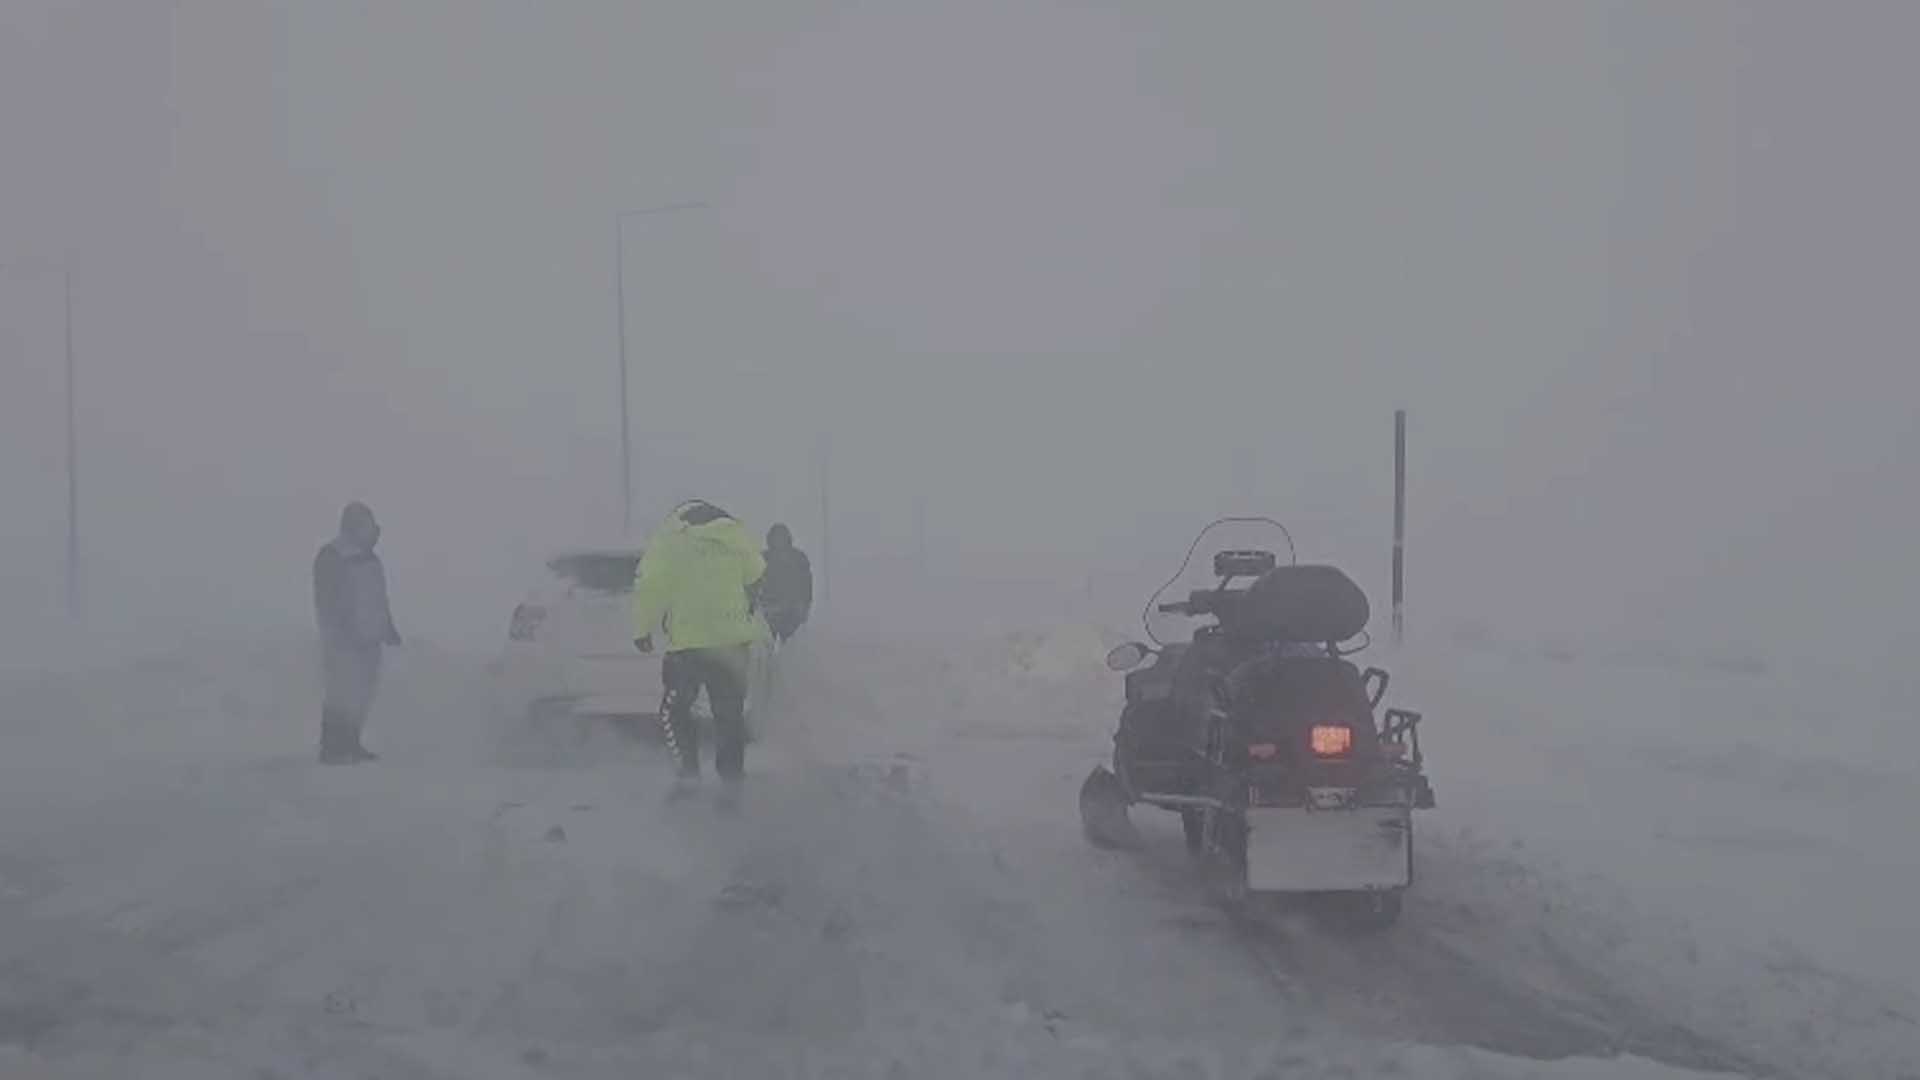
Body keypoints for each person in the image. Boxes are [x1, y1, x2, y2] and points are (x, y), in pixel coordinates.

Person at [631, 499, 767, 805]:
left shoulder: (670, 540)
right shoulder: (735, 536)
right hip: (732, 643)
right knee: (729, 712)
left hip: (689, 645)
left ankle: (688, 774)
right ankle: (731, 779)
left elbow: (651, 585)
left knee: (675, 709)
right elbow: (756, 572)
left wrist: (643, 629)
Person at [312, 502, 402, 764]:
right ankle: (332, 747)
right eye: (366, 523)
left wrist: (388, 627)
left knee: (362, 692)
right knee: (340, 691)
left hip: (370, 638)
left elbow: (378, 598)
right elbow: (326, 598)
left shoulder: (371, 559)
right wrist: (338, 628)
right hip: (343, 640)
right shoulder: (333, 556)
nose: (372, 530)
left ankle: (351, 742)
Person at [758, 523, 813, 646]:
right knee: (767, 644)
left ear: (787, 538)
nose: (779, 541)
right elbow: (755, 582)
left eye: (781, 537)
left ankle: (790, 662)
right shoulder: (762, 558)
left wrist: (806, 604)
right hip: (770, 608)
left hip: (792, 609)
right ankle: (772, 663)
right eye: (776, 537)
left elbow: (806, 582)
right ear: (770, 539)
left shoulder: (798, 557)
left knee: (790, 645)